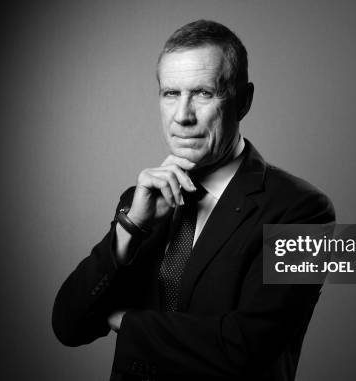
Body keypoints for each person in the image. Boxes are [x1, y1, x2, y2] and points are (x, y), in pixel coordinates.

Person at [52, 19, 335, 381]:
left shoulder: (302, 210)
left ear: (243, 101)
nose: (183, 116)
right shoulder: (140, 201)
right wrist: (130, 228)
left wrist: (124, 321)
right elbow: (69, 326)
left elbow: (246, 348)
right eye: (171, 93)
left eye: (203, 93)